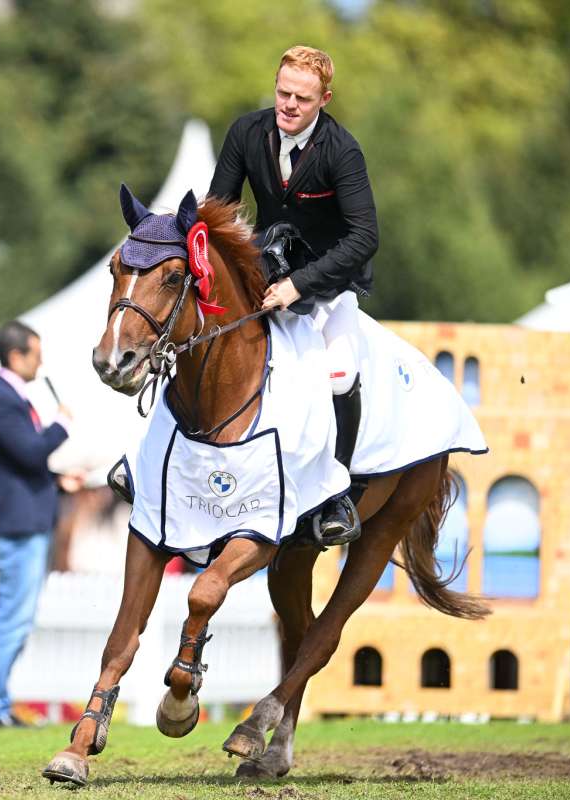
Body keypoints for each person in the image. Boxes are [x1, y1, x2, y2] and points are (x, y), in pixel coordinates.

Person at [208, 44, 378, 545]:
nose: (288, 105)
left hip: (328, 282)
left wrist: (300, 285)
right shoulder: (246, 131)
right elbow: (219, 211)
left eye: (302, 98)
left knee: (340, 374)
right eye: (283, 92)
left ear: (324, 99)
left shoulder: (341, 151)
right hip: (267, 269)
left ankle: (336, 496)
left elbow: (364, 237)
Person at [0, 320, 82, 727]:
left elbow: (20, 465)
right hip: (17, 525)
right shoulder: (2, 398)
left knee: (18, 616)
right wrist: (62, 426)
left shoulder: (9, 396)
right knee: (12, 617)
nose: (41, 363)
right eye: (36, 354)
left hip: (26, 519)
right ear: (16, 355)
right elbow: (28, 452)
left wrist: (58, 481)